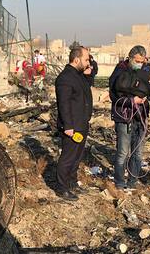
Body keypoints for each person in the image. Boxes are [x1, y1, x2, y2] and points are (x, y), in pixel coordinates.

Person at [109, 45, 150, 190]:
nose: (140, 63)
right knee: (123, 151)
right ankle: (120, 182)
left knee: (138, 152)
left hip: (140, 116)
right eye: (137, 60)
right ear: (130, 57)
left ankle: (133, 180)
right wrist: (131, 101)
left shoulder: (145, 72)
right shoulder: (119, 71)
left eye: (142, 61)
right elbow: (114, 96)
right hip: (124, 116)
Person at [55, 46, 93, 201]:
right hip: (72, 126)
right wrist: (68, 126)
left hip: (82, 123)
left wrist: (88, 70)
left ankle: (72, 183)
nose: (88, 63)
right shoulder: (65, 78)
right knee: (68, 158)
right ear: (76, 59)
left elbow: (90, 78)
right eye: (85, 60)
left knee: (76, 158)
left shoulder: (79, 75)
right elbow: (64, 104)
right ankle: (62, 188)